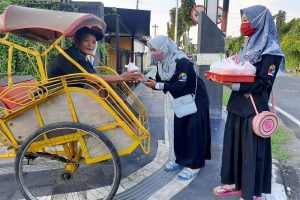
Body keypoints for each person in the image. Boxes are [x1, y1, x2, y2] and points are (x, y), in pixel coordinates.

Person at [212, 5, 285, 200]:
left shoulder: (272, 52)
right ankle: (236, 184)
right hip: (237, 106)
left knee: (251, 154)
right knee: (234, 148)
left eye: (246, 20)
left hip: (254, 110)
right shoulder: (247, 46)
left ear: (259, 21)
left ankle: (251, 192)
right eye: (242, 20)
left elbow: (262, 83)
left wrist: (232, 85)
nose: (244, 25)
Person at [144, 35, 211, 180]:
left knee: (193, 131)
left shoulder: (183, 63)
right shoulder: (161, 63)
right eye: (150, 50)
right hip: (181, 99)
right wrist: (144, 80)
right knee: (180, 130)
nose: (152, 53)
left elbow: (180, 86)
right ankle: (181, 160)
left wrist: (157, 85)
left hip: (195, 98)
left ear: (164, 48)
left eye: (154, 50)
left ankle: (194, 165)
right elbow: (160, 81)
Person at [47, 26, 142, 83]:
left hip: (69, 93)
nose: (90, 45)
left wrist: (122, 78)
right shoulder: (72, 57)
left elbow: (93, 76)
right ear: (76, 41)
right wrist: (121, 77)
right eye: (86, 41)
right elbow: (92, 78)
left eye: (93, 42)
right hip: (58, 96)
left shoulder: (79, 55)